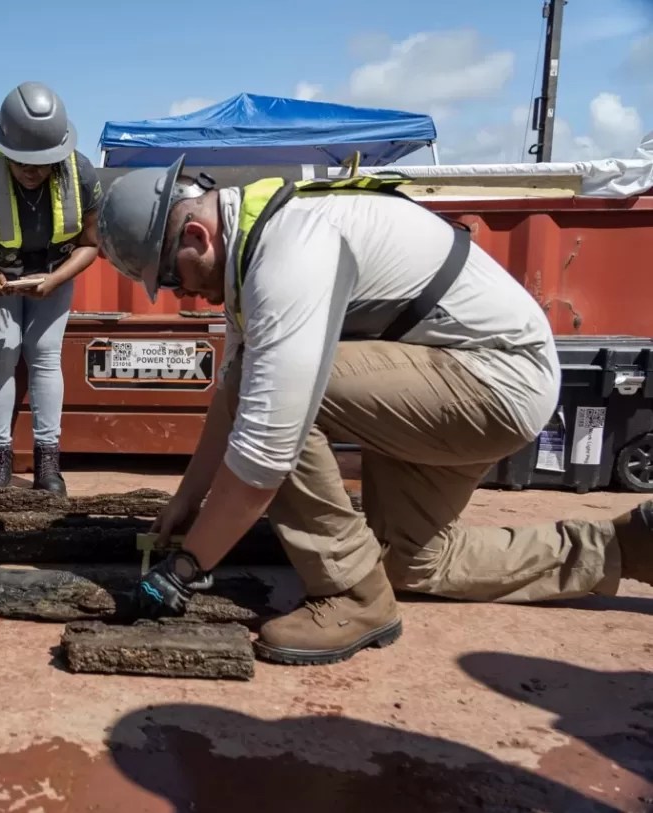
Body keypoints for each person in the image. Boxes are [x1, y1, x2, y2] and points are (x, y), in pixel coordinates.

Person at [96, 156, 653, 666]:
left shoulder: (290, 251)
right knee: (412, 562)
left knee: (277, 398)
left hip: (495, 382)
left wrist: (184, 571)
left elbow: (265, 442)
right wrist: (188, 500)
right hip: (459, 382)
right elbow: (228, 396)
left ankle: (350, 594)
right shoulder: (255, 241)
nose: (183, 295)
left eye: (172, 278)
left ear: (196, 234)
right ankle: (625, 547)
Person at [0, 81, 102, 495]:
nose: (31, 171)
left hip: (53, 274)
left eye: (41, 163)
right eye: (21, 162)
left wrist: (57, 279)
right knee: (1, 353)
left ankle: (48, 465)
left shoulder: (79, 172)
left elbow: (91, 244)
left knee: (45, 356)